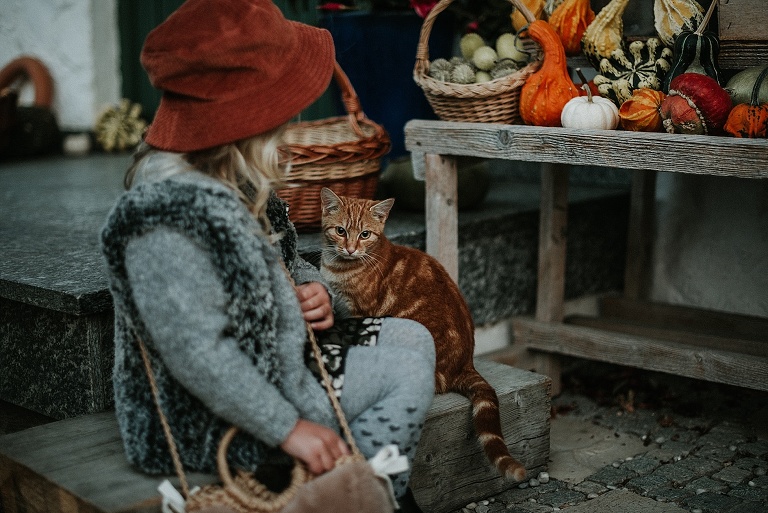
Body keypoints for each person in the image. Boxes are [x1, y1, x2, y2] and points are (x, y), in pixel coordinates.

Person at [99, 0, 436, 511]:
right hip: (233, 410)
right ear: (250, 119)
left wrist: (313, 286)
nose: (296, 113)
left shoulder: (238, 183)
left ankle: (359, 480)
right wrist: (289, 429)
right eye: (285, 103)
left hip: (282, 352)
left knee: (414, 336)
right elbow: (199, 354)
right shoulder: (165, 224)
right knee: (403, 375)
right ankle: (357, 497)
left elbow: (285, 261)